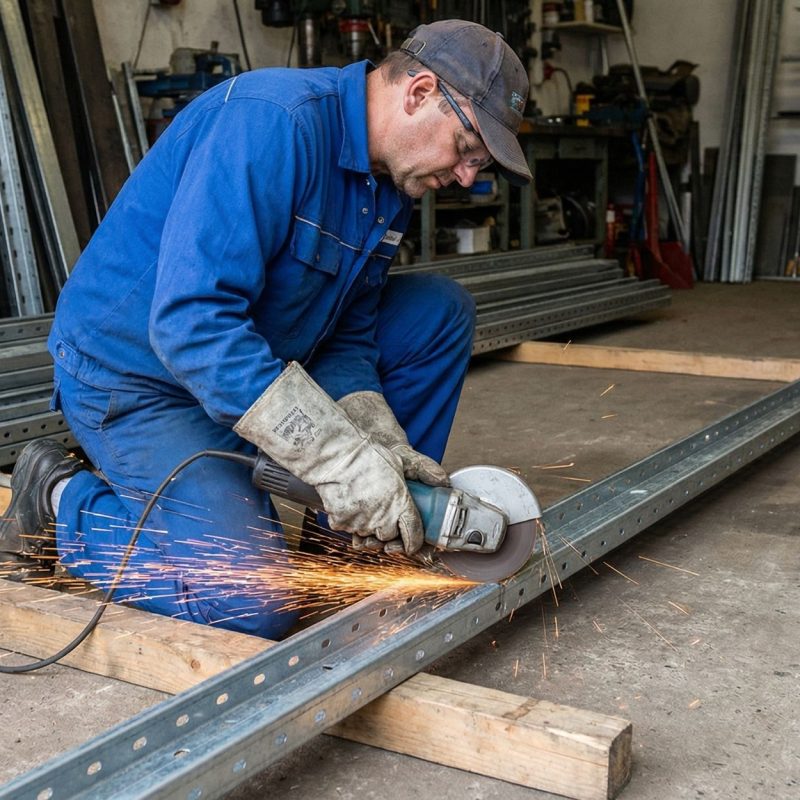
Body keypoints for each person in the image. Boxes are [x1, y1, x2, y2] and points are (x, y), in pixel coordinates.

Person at [0, 19, 531, 639]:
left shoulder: (391, 181)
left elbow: (346, 326)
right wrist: (335, 458)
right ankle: (60, 502)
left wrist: (371, 430)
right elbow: (191, 326)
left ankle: (350, 541)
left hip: (255, 355)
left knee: (437, 311)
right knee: (253, 603)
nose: (469, 175)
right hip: (141, 379)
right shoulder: (269, 123)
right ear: (418, 94)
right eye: (468, 149)